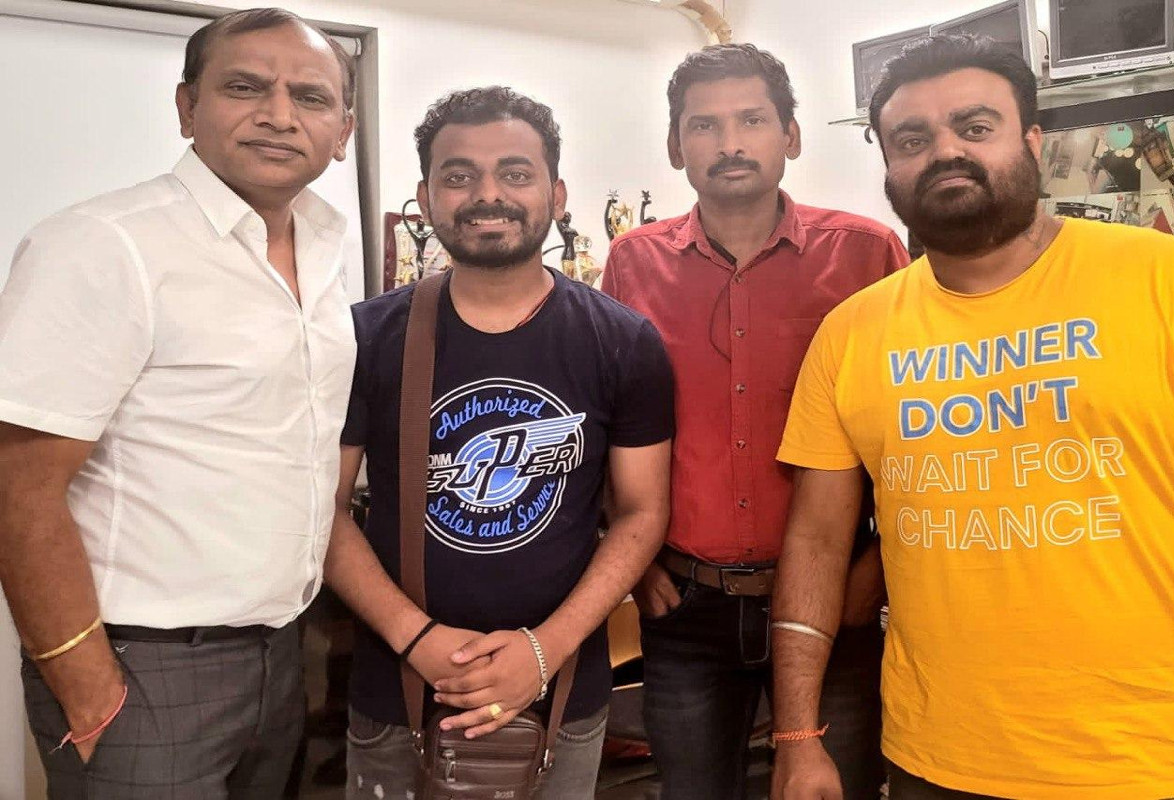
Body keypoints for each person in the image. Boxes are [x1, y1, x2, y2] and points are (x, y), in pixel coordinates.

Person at [770, 34, 1174, 800]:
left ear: (1031, 140)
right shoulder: (850, 334)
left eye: (975, 127)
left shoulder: (1171, 282)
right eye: (913, 139)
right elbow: (817, 541)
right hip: (936, 756)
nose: (946, 152)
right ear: (888, 166)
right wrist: (797, 736)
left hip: (1153, 754)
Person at [0, 8, 357, 798]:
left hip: (281, 654)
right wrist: (86, 685)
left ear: (343, 132)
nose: (279, 115)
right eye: (245, 88)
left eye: (310, 96)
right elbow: (18, 483)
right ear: (187, 107)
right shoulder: (105, 244)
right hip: (143, 665)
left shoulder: (326, 253)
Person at [324, 86, 675, 799]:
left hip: (563, 695)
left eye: (515, 173)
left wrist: (544, 651)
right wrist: (419, 639)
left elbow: (641, 513)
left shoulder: (623, 341)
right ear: (425, 199)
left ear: (557, 194)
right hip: (398, 690)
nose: (488, 194)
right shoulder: (365, 337)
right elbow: (319, 510)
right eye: (459, 175)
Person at [601, 43, 908, 800]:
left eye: (752, 120)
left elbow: (911, 426)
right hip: (685, 604)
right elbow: (605, 420)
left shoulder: (866, 254)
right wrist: (635, 563)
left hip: (837, 601)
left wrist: (876, 569)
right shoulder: (632, 262)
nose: (729, 143)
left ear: (790, 136)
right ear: (675, 146)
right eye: (703, 125)